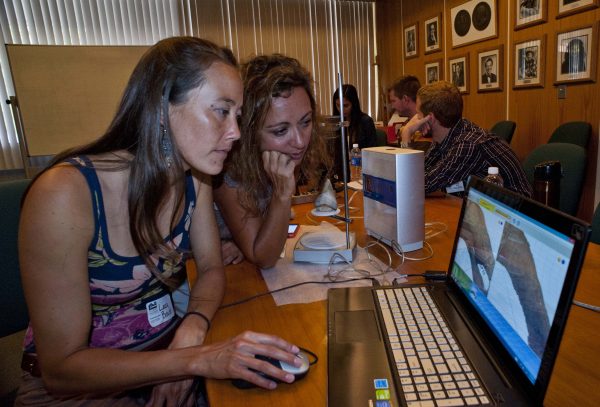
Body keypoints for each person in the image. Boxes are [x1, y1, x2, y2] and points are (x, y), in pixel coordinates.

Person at [16, 37, 304, 406]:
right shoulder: (65, 194)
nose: (235, 132)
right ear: (162, 108)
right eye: (221, 111)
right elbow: (61, 369)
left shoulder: (194, 178)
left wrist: (193, 326)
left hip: (167, 359)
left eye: (238, 116)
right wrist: (191, 360)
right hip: (84, 390)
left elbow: (212, 269)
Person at [213, 54, 330, 269]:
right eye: (280, 130)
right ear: (249, 132)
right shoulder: (227, 170)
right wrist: (281, 195)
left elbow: (268, 232)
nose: (300, 141)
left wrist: (248, 240)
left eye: (305, 122)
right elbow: (265, 258)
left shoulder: (284, 154)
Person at [399, 81, 532, 197]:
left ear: (430, 118)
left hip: (513, 215)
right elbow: (420, 174)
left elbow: (417, 186)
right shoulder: (449, 132)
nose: (415, 120)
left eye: (418, 114)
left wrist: (406, 135)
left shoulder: (468, 144)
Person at [332, 84, 377, 149]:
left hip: (359, 158)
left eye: (346, 106)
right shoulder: (335, 122)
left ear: (354, 104)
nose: (341, 110)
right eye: (338, 105)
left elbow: (373, 150)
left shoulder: (366, 121)